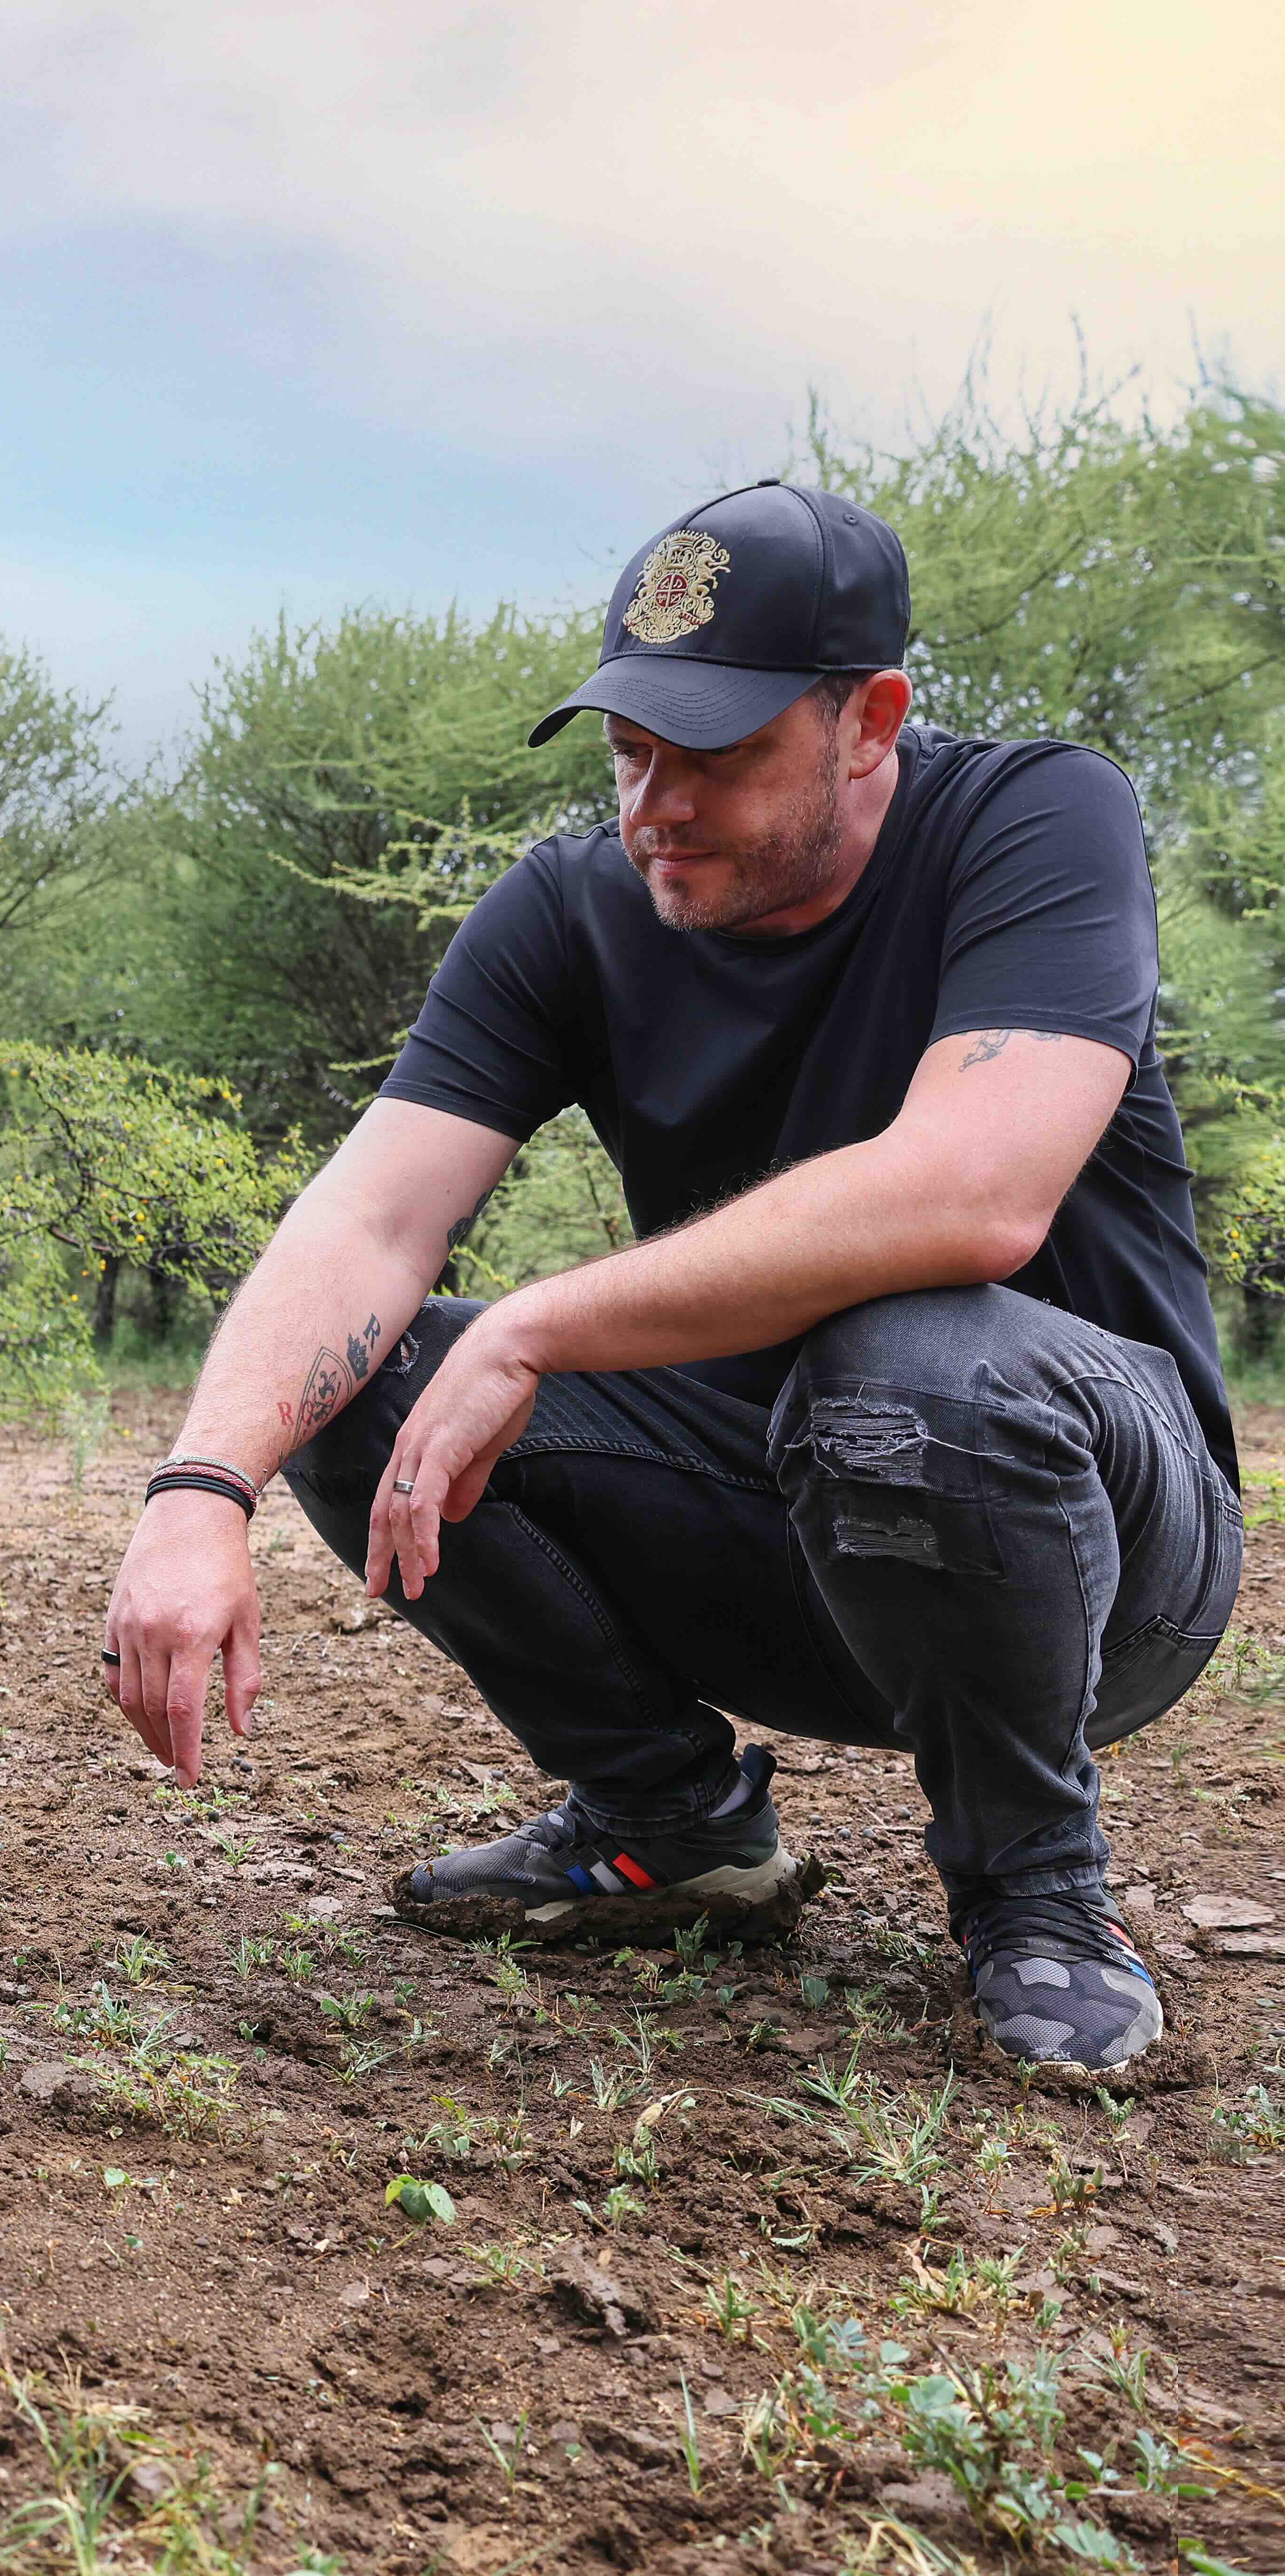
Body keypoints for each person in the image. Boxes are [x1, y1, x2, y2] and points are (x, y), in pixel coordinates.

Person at [105, 479, 1239, 2075]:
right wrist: (198, 1486)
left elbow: (974, 1192)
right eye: (630, 752)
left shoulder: (1036, 821)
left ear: (869, 721)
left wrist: (544, 1321)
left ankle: (1036, 1892)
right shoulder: (570, 907)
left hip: (1105, 1546)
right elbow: (361, 1225)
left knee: (909, 1354)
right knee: (372, 1377)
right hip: (790, 1520)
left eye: (714, 757)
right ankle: (668, 1820)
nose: (655, 805)